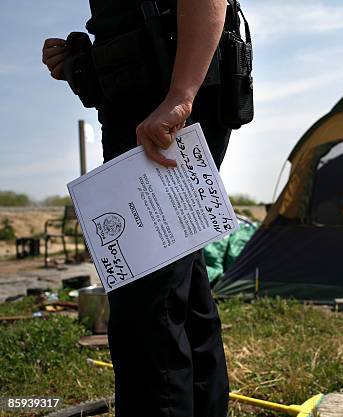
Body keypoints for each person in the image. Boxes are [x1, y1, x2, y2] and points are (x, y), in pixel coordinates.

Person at [42, 1, 230, 416]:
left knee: (145, 306)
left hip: (166, 113)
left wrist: (181, 97)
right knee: (180, 291)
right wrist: (85, 60)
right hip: (140, 111)